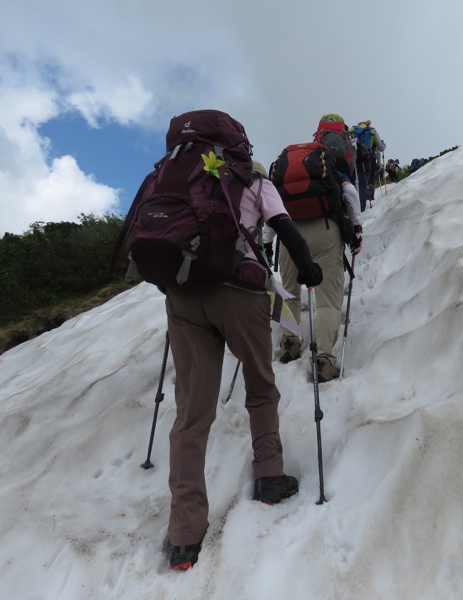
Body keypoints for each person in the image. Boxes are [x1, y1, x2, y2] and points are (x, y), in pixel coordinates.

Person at [163, 119, 323, 571]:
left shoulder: (179, 178)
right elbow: (286, 232)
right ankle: (269, 474)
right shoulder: (254, 181)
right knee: (260, 385)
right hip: (241, 293)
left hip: (183, 298)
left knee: (191, 414)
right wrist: (308, 270)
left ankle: (184, 536)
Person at [269, 122, 363, 383]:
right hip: (325, 230)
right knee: (327, 301)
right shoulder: (329, 165)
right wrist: (356, 229)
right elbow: (351, 193)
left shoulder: (282, 167)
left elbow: (271, 205)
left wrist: (268, 241)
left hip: (289, 234)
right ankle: (324, 359)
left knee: (288, 293)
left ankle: (289, 341)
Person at [351, 120, 385, 212]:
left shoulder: (353, 130)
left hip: (354, 159)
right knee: (363, 183)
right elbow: (381, 148)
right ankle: (362, 208)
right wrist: (383, 145)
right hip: (367, 159)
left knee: (354, 183)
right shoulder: (371, 131)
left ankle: (352, 207)